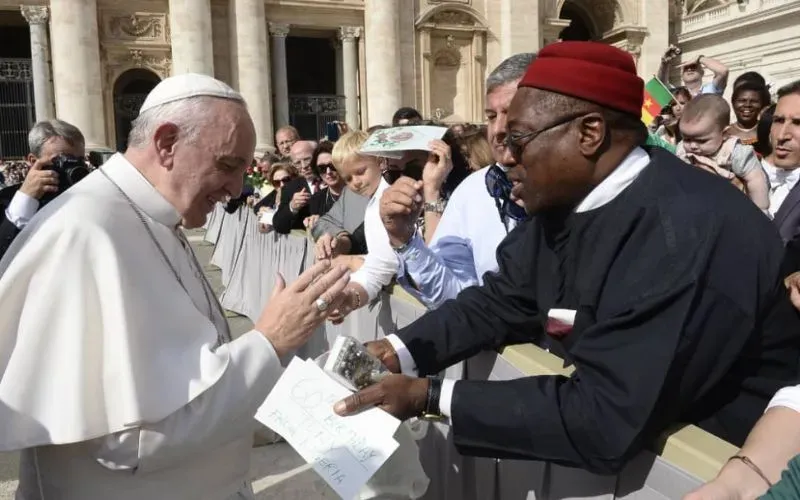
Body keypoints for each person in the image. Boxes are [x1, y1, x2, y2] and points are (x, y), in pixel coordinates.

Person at [332, 42, 800, 474]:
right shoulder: (568, 201)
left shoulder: (688, 230)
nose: (506, 157)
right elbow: (498, 301)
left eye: (518, 139)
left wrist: (430, 396)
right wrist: (398, 352)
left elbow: (604, 415)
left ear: (589, 133)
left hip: (725, 467)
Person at [0, 73, 350, 499]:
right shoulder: (85, 232)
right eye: (226, 165)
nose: (237, 188)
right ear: (166, 143)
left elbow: (185, 374)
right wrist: (269, 342)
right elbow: (128, 444)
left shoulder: (153, 215)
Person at [378, 53, 534, 310]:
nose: (499, 129)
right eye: (492, 116)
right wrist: (404, 240)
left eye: (511, 112)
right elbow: (453, 296)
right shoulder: (472, 190)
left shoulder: (585, 188)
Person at [0, 119, 85, 259]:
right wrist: (25, 199)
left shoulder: (89, 195)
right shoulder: (5, 200)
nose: (73, 167)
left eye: (79, 160)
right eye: (61, 160)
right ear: (33, 161)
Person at [676, 94, 770, 213]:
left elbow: (755, 179)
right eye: (687, 139)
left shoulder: (735, 151)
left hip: (730, 207)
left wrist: (761, 209)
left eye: (702, 140)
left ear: (725, 133)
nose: (693, 146)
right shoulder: (682, 149)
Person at [272, 140, 320, 233]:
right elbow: (279, 225)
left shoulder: (331, 178)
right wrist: (292, 207)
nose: (303, 166)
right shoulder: (290, 188)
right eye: (298, 163)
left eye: (307, 159)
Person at [728, 80, 771, 147]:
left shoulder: (768, 131)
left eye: (754, 101)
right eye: (742, 100)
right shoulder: (724, 133)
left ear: (762, 105)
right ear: (733, 103)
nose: (747, 105)